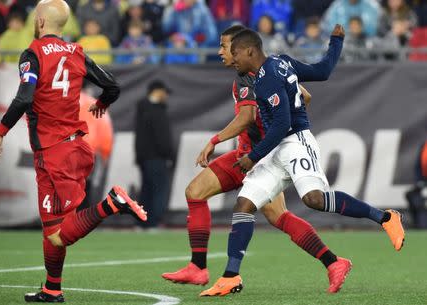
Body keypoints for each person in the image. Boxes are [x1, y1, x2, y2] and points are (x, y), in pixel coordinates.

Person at [200, 25, 405, 296]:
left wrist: (253, 156)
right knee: (244, 204)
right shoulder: (281, 62)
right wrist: (336, 41)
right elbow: (322, 71)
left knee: (314, 200)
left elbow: (283, 122)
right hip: (275, 147)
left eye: (234, 52)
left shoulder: (267, 78)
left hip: (296, 141)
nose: (232, 58)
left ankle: (385, 217)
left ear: (250, 50)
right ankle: (230, 276)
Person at [162, 25, 351, 294]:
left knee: (278, 216)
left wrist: (215, 140)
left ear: (242, 48)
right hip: (244, 156)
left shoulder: (253, 76)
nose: (221, 52)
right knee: (195, 192)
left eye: (224, 46)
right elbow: (305, 96)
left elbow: (248, 117)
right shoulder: (249, 74)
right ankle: (198, 267)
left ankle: (332, 262)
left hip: (261, 157)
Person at [0, 0, 147, 302]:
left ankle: (111, 204)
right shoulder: (76, 52)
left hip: (54, 152)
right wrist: (101, 104)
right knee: (51, 230)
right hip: (68, 147)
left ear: (40, 21)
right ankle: (52, 289)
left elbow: (24, 98)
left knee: (60, 233)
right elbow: (112, 86)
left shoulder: (32, 54)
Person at [135, 80, 175, 229]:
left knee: (147, 190)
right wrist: (169, 155)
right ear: (158, 91)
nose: (166, 96)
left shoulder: (142, 108)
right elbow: (162, 137)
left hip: (145, 158)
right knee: (158, 191)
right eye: (164, 92)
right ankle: (154, 222)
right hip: (157, 158)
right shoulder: (157, 110)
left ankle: (142, 222)